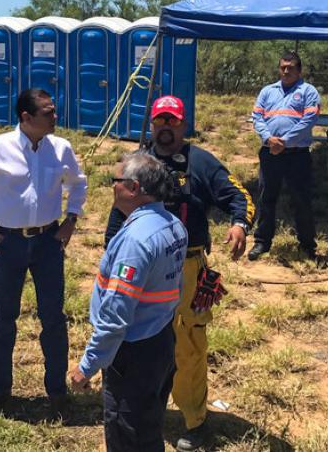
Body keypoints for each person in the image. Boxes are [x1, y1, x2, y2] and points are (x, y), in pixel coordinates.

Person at [104, 95, 255, 451]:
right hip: (142, 269)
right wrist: (110, 251)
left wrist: (239, 225)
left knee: (188, 345)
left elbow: (239, 197)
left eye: (172, 121)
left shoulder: (200, 162)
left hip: (186, 267)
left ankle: (194, 420)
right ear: (152, 124)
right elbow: (118, 210)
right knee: (142, 340)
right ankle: (147, 409)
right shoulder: (137, 162)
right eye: (160, 121)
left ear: (183, 125)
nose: (165, 127)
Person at [0, 88, 88, 416]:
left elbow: (79, 183)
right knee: (5, 319)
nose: (55, 116)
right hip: (7, 243)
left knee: (53, 318)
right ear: (26, 118)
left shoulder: (60, 148)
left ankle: (56, 393)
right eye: (48, 112)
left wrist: (71, 219)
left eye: (54, 110)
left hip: (48, 242)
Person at [70, 151, 188, 452]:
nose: (112, 186)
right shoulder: (172, 224)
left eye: (116, 180)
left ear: (134, 188)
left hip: (133, 355)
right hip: (160, 339)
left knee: (128, 434)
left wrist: (87, 366)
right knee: (148, 426)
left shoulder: (136, 240)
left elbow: (115, 315)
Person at [247, 51, 320, 261]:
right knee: (266, 198)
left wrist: (284, 141)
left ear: (299, 70)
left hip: (297, 155)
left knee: (301, 200)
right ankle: (262, 242)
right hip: (270, 153)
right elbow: (257, 117)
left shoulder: (309, 92)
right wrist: (270, 139)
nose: (286, 71)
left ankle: (307, 245)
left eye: (291, 68)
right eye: (283, 67)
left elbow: (309, 120)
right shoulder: (267, 91)